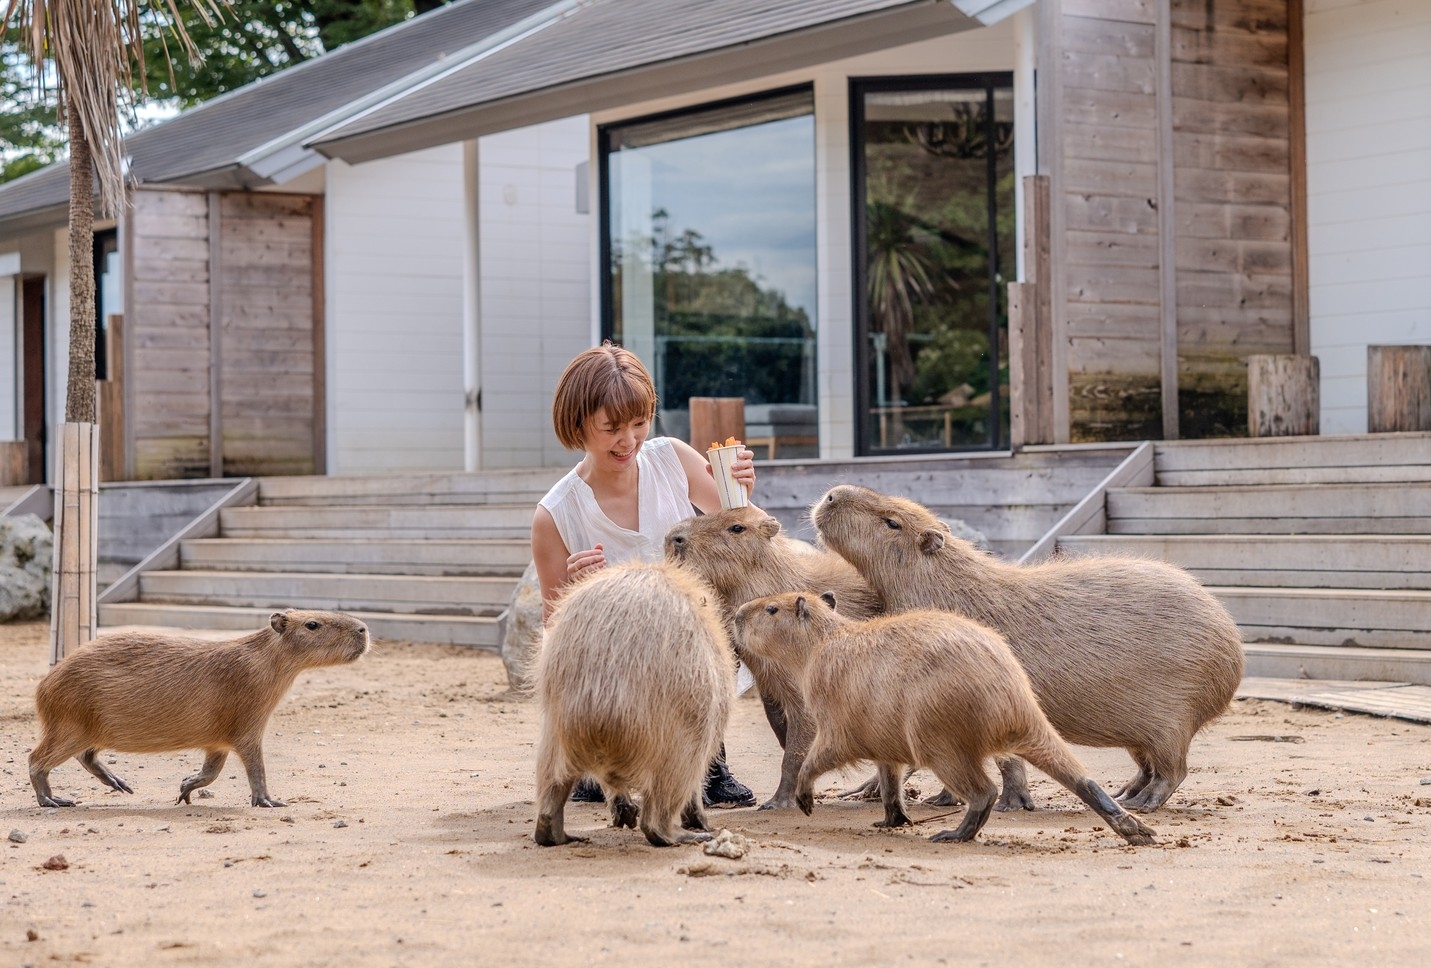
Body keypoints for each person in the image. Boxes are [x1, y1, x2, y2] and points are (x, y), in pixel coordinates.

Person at [531, 342, 758, 808]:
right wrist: (579, 590)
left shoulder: (671, 459)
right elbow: (554, 627)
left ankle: (708, 761)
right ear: (577, 424)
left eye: (639, 423)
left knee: (714, 617)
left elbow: (750, 531)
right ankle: (597, 760)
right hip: (616, 660)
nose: (629, 441)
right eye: (612, 428)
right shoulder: (556, 514)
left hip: (688, 636)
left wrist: (741, 491)